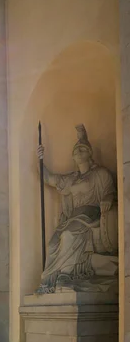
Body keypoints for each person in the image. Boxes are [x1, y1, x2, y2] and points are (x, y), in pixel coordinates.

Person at [36, 124, 117, 293]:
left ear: (90, 153)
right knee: (52, 244)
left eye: (82, 149)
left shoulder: (99, 174)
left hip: (90, 215)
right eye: (76, 151)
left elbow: (110, 191)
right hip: (73, 218)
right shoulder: (71, 179)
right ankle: (49, 281)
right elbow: (49, 178)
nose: (78, 153)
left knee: (67, 235)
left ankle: (65, 274)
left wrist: (107, 199)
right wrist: (40, 159)